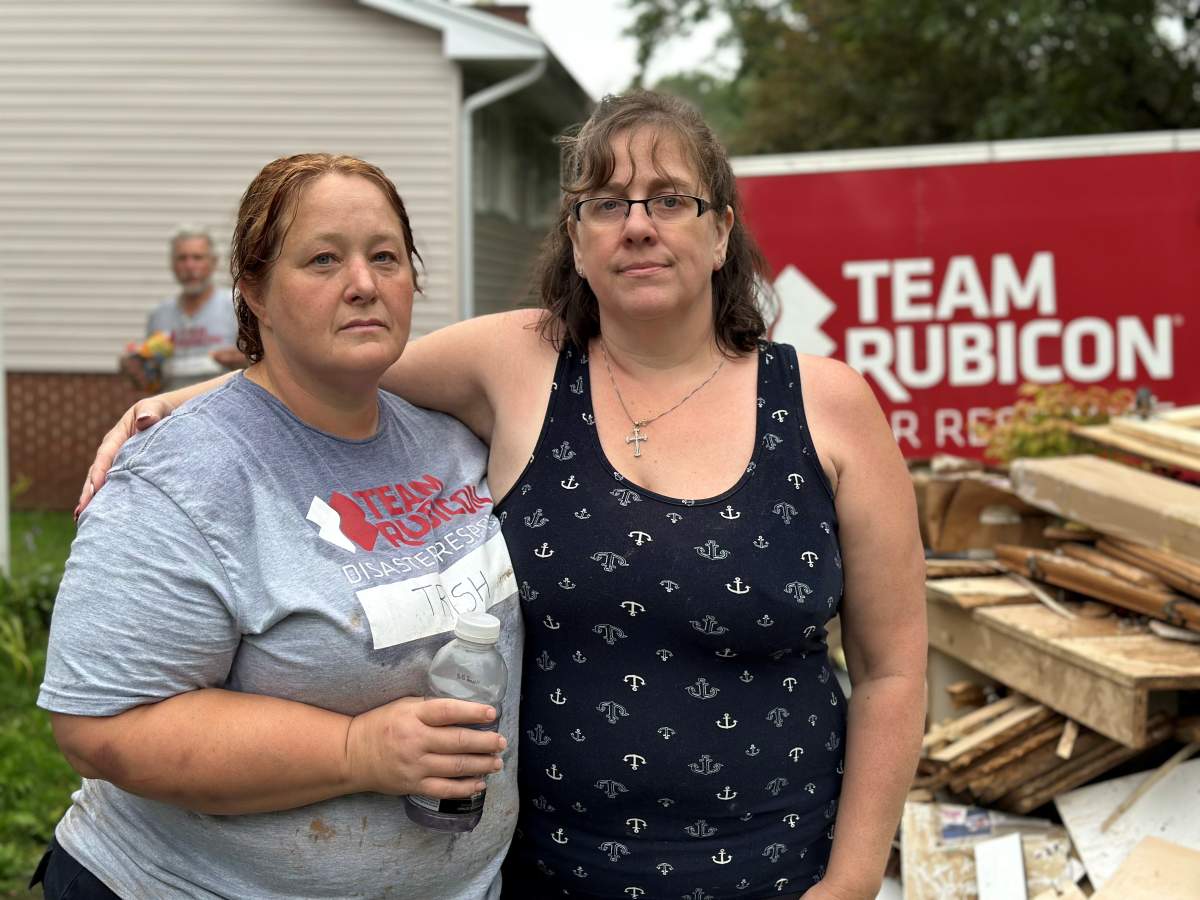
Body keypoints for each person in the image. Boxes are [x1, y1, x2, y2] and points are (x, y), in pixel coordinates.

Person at [80, 92, 927, 900]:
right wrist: (162, 409)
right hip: (549, 876)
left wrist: (850, 882)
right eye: (606, 202)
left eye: (670, 199)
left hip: (779, 868)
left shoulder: (827, 404)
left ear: (721, 234)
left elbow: (893, 667)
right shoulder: (519, 363)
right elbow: (320, 367)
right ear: (576, 236)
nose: (637, 224)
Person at [40, 154, 521, 899]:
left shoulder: (453, 437)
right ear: (254, 291)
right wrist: (356, 750)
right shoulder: (187, 473)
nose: (363, 282)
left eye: (385, 256)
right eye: (323, 258)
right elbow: (99, 727)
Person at [120, 226, 245, 391]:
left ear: (213, 262)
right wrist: (135, 368)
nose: (190, 266)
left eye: (197, 257)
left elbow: (264, 364)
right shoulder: (160, 315)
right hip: (175, 411)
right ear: (172, 265)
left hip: (225, 408)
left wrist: (242, 361)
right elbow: (151, 382)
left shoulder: (236, 304)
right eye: (182, 258)